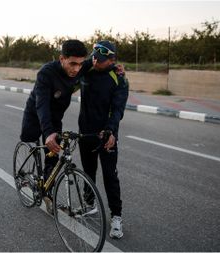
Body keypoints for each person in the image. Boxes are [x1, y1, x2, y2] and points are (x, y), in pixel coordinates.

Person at [20, 39, 92, 212]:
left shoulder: (81, 67)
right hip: (36, 114)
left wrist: (116, 68)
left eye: (80, 64)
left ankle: (47, 191)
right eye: (72, 63)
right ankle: (26, 175)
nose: (76, 69)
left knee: (52, 156)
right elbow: (42, 104)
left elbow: (98, 59)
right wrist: (48, 132)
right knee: (33, 142)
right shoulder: (46, 73)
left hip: (55, 118)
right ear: (62, 59)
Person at [78, 41, 129, 239]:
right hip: (85, 133)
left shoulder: (119, 78)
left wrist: (110, 131)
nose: (96, 60)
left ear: (112, 60)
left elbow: (117, 110)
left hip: (106, 135)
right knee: (88, 172)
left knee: (110, 176)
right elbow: (67, 74)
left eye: (101, 59)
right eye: (94, 56)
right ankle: (89, 205)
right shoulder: (86, 70)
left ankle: (116, 216)